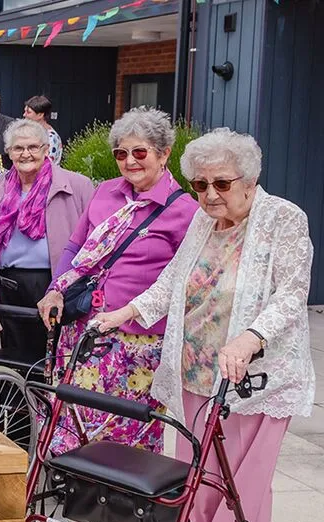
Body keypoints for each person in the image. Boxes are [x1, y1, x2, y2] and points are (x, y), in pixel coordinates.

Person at [94, 129, 313, 522]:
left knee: (242, 473)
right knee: (198, 463)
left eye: (222, 184)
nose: (210, 194)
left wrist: (252, 337)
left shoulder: (283, 220)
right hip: (197, 363)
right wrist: (128, 312)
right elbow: (173, 280)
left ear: (250, 182)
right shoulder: (202, 219)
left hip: (255, 373)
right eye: (200, 184)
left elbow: (293, 294)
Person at [36, 106, 198, 454]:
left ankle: (120, 504)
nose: (130, 161)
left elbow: (181, 282)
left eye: (140, 152)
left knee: (125, 429)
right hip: (85, 328)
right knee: (74, 418)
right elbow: (76, 247)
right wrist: (54, 291)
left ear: (164, 153)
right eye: (121, 153)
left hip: (137, 341)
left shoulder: (185, 211)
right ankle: (78, 492)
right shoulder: (105, 191)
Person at [0, 119, 93, 362]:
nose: (26, 154)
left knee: (49, 353)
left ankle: (45, 399)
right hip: (8, 282)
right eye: (18, 148)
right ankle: (15, 398)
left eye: (33, 147)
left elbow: (92, 236)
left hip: (52, 282)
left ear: (46, 149)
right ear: (9, 153)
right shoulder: (0, 185)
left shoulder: (76, 185)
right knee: (12, 351)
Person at [23, 95, 63, 164]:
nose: (24, 115)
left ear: (40, 115)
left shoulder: (51, 138)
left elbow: (47, 165)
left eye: (28, 112)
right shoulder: (30, 132)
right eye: (24, 111)